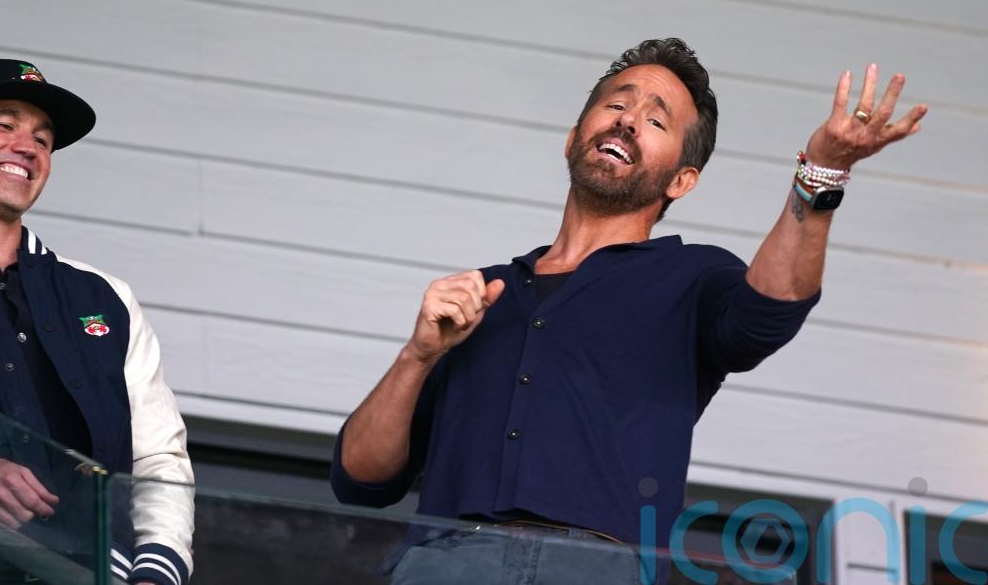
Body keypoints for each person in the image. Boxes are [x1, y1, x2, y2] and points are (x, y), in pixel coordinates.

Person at [330, 39, 927, 583]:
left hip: (596, 571)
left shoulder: (693, 278)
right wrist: (417, 356)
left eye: (656, 119)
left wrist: (822, 173)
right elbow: (360, 480)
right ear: (573, 137)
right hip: (445, 567)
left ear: (682, 181)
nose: (628, 119)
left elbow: (772, 308)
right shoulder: (482, 294)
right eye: (617, 104)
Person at [0, 59, 194, 585]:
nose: (29, 147)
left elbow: (159, 456)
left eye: (43, 140)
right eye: (5, 124)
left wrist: (157, 569)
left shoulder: (105, 295)